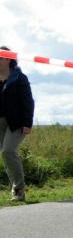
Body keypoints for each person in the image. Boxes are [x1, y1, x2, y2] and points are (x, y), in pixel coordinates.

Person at [0, 46, 35, 202]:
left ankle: (19, 189)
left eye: (0, 58)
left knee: (8, 151)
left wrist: (27, 123)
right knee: (6, 155)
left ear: (8, 59)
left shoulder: (19, 78)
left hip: (16, 123)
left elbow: (28, 101)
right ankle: (15, 186)